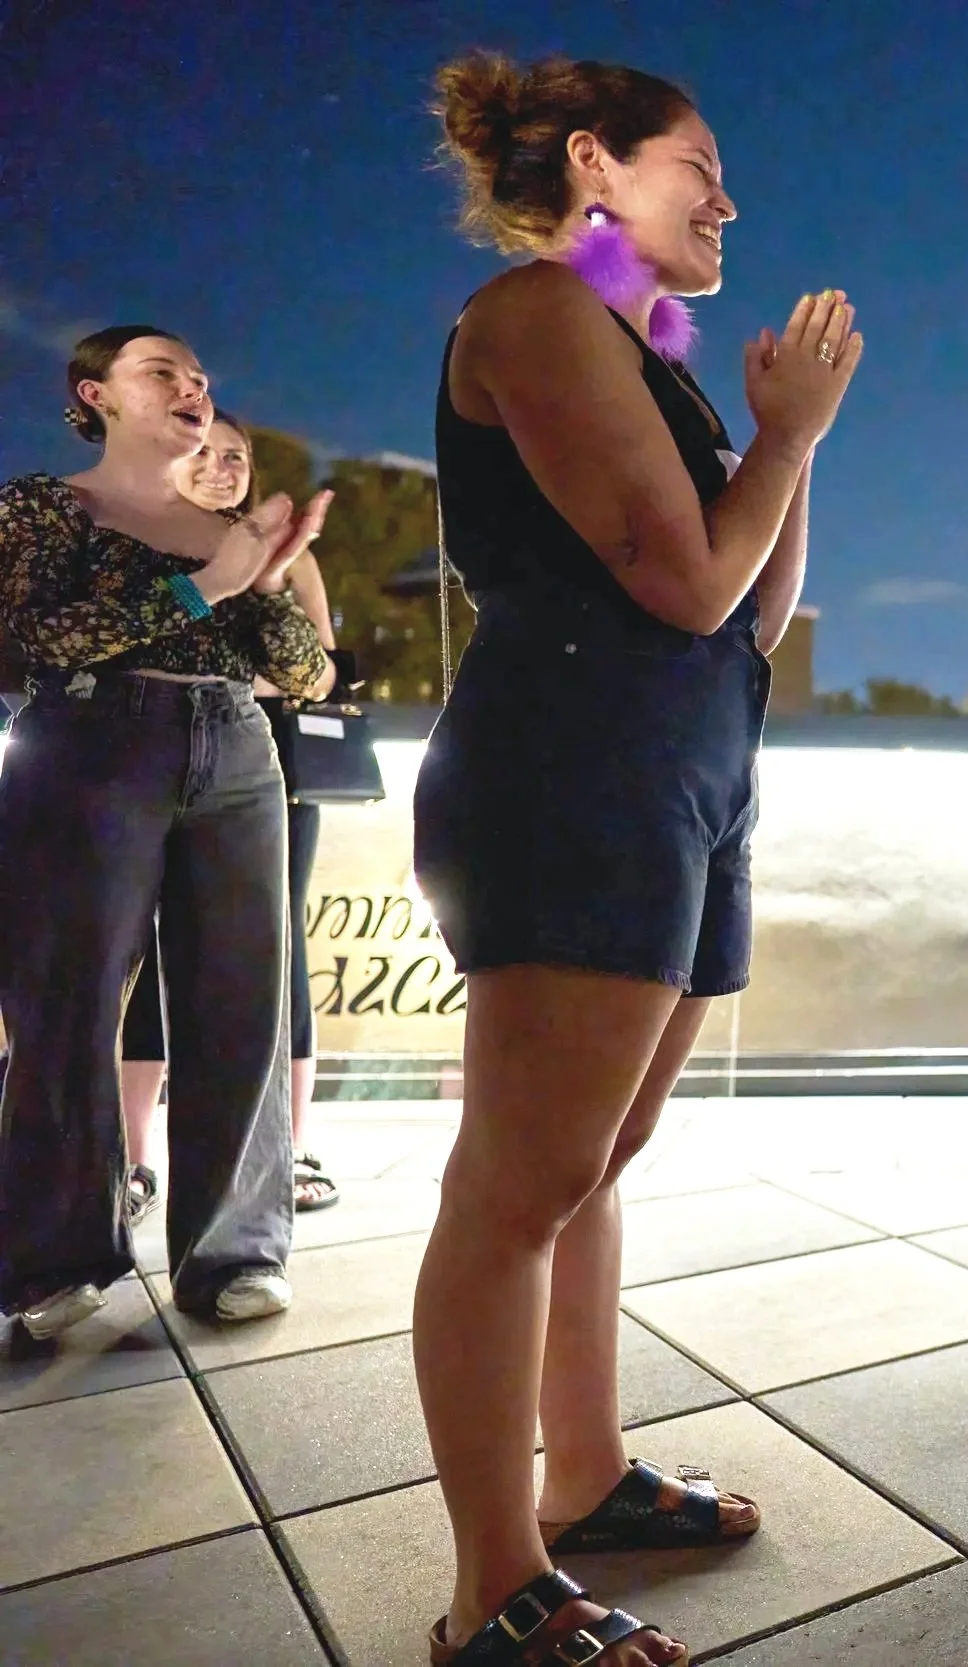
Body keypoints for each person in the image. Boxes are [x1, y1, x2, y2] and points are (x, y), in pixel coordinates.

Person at [412, 51, 858, 1667]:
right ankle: (494, 1584)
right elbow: (682, 583)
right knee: (519, 1182)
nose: (729, 200)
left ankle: (587, 1476)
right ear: (595, 162)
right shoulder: (538, 314)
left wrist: (785, 442)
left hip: (684, 771)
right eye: (699, 166)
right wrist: (784, 436)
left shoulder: (647, 356)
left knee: (592, 1164)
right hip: (572, 770)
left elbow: (754, 603)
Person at [0, 326, 332, 1344]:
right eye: (161, 371)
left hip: (236, 750)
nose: (193, 385)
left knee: (242, 998)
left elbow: (309, 675)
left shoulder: (231, 531)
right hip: (89, 740)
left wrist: (265, 580)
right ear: (94, 394)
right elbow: (35, 633)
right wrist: (206, 585)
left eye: (200, 375)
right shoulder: (49, 506)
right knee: (65, 998)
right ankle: (55, 1258)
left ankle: (235, 1251)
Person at [120, 414, 344, 1223]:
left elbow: (319, 671)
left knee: (279, 950)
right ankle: (133, 1157)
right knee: (146, 949)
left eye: (237, 457)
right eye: (206, 453)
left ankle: (290, 1147)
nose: (222, 468)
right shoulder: (134, 546)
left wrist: (220, 666)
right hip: (148, 762)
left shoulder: (289, 554)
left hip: (272, 768)